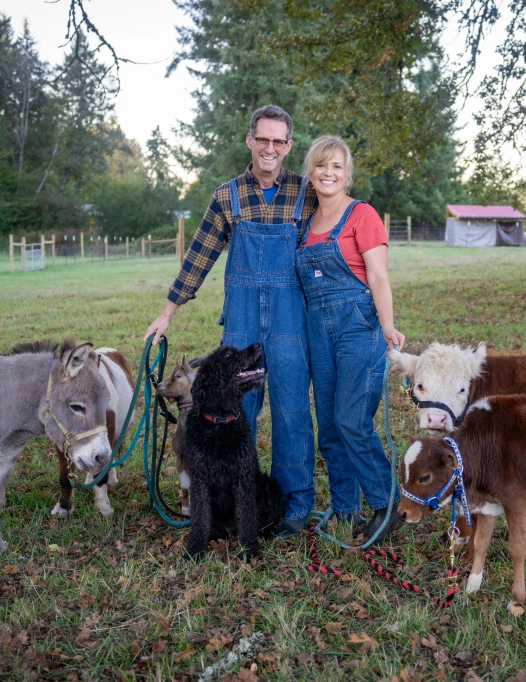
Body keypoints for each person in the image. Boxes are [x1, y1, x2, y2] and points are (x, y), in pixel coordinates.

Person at [144, 105, 318, 538]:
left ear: (288, 146)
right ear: (250, 141)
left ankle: (295, 506)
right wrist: (167, 312)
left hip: (291, 320)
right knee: (235, 412)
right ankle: (233, 505)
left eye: (278, 141)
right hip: (241, 320)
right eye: (263, 139)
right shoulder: (228, 196)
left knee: (293, 411)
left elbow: (335, 239)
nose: (270, 148)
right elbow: (199, 256)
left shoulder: (306, 192)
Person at [294, 135, 405, 542]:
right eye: (321, 165)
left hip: (358, 325)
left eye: (337, 166)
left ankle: (387, 503)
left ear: (347, 175)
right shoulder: (305, 225)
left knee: (352, 420)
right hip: (317, 330)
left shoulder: (362, 215)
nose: (328, 173)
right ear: (310, 172)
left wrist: (388, 325)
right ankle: (345, 510)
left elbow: (378, 276)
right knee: (329, 426)